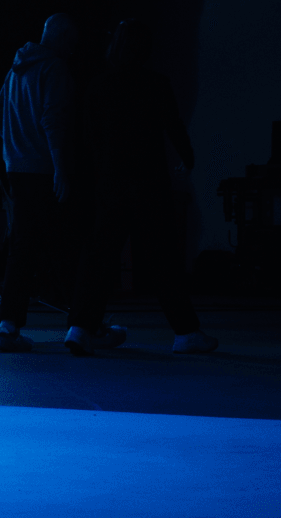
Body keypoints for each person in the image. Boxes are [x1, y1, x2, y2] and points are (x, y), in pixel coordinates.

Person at [65, 19, 219, 355]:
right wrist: (187, 159)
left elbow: (87, 141)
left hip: (109, 184)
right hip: (148, 182)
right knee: (163, 258)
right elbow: (174, 126)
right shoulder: (155, 84)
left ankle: (80, 326)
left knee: (98, 257)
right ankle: (185, 331)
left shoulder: (98, 86)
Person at [0, 13, 81, 352]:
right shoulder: (53, 68)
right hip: (44, 169)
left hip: (17, 169)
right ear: (63, 37)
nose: (74, 48)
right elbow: (53, 119)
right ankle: (84, 324)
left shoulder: (16, 69)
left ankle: (7, 326)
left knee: (21, 250)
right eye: (72, 40)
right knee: (64, 247)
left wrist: (15, 145)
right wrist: (60, 168)